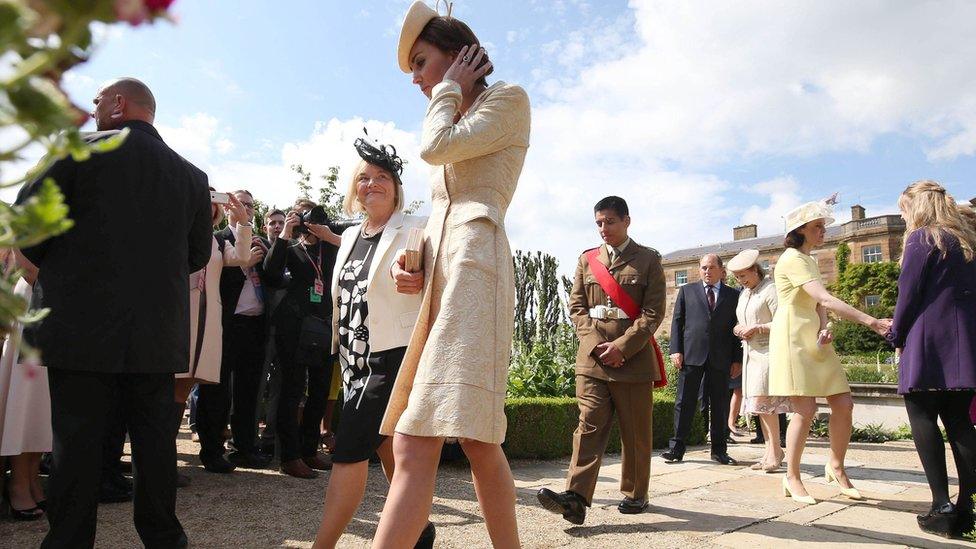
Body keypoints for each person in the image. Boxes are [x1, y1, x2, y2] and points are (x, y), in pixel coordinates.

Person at [15, 77, 211, 548]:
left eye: (100, 100)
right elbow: (198, 255)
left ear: (119, 104)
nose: (96, 107)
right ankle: (165, 541)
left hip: (78, 329)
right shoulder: (191, 177)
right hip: (155, 335)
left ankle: (68, 542)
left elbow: (26, 229)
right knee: (155, 449)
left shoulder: (75, 151)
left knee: (76, 450)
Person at [375, 3, 530, 547]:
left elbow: (433, 147)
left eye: (421, 62)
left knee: (416, 439)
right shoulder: (462, 117)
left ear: (460, 55)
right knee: (476, 438)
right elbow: (443, 206)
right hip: (449, 277)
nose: (416, 78)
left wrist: (447, 91)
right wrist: (413, 258)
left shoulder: (507, 101)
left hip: (476, 272)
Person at [313, 140, 433, 548]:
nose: (372, 183)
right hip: (351, 362)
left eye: (382, 177)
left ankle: (322, 545)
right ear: (354, 189)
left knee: (348, 447)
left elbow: (437, 283)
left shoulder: (418, 228)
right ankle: (419, 530)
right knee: (384, 446)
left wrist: (421, 280)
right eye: (363, 177)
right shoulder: (347, 238)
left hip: (392, 358)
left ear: (397, 188)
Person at [536, 196, 666, 524]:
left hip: (633, 359)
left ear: (626, 221)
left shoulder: (648, 260)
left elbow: (653, 312)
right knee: (589, 424)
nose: (603, 229)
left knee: (635, 431)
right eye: (598, 223)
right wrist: (595, 344)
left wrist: (623, 346)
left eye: (609, 221)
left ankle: (636, 493)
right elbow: (577, 308)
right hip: (593, 360)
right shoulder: (587, 260)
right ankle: (575, 498)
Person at [768, 199, 889, 505]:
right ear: (800, 230)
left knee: (844, 404)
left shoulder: (809, 259)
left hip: (814, 338)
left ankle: (835, 466)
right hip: (793, 337)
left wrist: (824, 325)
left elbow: (819, 304)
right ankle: (791, 476)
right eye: (817, 226)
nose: (823, 231)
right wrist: (871, 321)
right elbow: (824, 296)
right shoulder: (793, 258)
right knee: (805, 411)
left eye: (823, 226)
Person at [886, 180, 976, 538]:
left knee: (923, 418)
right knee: (959, 423)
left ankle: (941, 506)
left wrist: (895, 334)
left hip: (926, 340)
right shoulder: (967, 241)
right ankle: (967, 506)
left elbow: (908, 295)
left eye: (903, 209)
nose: (903, 215)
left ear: (916, 207)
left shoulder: (921, 238)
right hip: (963, 343)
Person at [263, 200, 341, 478]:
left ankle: (309, 450)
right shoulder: (290, 247)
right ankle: (288, 456)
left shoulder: (329, 247)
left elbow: (354, 249)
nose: (309, 222)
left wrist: (326, 234)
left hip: (324, 325)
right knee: (291, 389)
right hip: (293, 326)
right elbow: (270, 274)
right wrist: (286, 232)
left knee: (319, 391)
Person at [178, 190, 252, 477]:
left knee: (186, 387)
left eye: (212, 202)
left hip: (209, 321)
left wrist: (243, 221)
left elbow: (242, 256)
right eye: (203, 199)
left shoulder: (215, 240)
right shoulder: (179, 231)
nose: (209, 207)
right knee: (172, 387)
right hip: (183, 316)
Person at [196, 189, 271, 473]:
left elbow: (275, 277)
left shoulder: (261, 243)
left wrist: (269, 256)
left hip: (255, 326)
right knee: (216, 391)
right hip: (225, 324)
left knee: (249, 392)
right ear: (225, 208)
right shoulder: (217, 240)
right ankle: (212, 450)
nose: (245, 208)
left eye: (250, 205)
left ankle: (245, 448)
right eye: (239, 204)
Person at [662, 254, 741, 465]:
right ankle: (676, 449)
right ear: (699, 270)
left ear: (721, 271)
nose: (707, 271)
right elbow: (677, 322)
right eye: (704, 268)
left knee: (720, 404)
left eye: (711, 267)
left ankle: (719, 450)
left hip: (721, 358)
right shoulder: (687, 291)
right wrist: (675, 350)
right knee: (684, 403)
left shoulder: (733, 295)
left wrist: (737, 359)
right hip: (691, 355)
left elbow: (736, 329)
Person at [728, 249, 791, 472]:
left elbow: (784, 322)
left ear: (756, 270)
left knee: (767, 406)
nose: (741, 281)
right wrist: (738, 329)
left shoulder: (770, 290)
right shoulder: (745, 293)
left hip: (768, 354)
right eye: (737, 278)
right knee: (760, 407)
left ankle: (775, 451)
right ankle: (770, 451)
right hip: (750, 356)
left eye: (744, 276)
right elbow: (740, 320)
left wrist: (758, 328)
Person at [0, 250, 50, 521]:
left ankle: (32, 478)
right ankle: (19, 482)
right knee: (27, 397)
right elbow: (27, 267)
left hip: (56, 300)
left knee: (43, 401)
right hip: (34, 299)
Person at [258, 209, 287, 456]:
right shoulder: (258, 249)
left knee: (281, 386)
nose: (277, 226)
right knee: (256, 385)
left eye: (281, 222)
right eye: (272, 223)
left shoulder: (292, 251)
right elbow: (272, 277)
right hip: (260, 328)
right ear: (264, 227)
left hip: (286, 330)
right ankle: (246, 438)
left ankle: (270, 438)